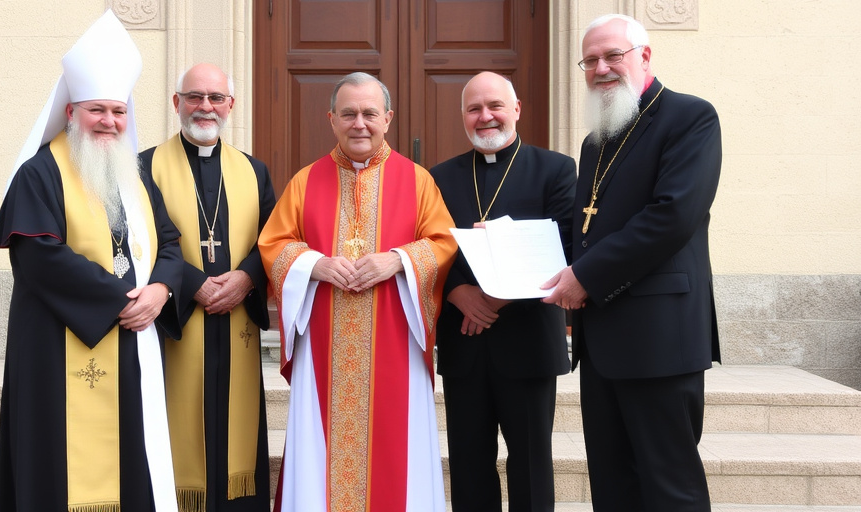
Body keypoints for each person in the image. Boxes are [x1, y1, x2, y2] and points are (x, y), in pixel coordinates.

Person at [0, 10, 183, 512]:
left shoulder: (133, 175)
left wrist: (160, 290)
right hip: (60, 344)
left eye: (118, 112)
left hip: (133, 340)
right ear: (72, 112)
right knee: (61, 465)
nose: (109, 122)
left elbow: (168, 242)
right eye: (97, 110)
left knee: (132, 459)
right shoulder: (40, 172)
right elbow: (38, 257)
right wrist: (124, 301)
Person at [542, 13, 722, 512]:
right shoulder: (597, 139)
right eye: (590, 60)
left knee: (669, 485)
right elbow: (587, 229)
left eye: (612, 55)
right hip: (601, 338)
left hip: (660, 335)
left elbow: (673, 216)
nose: (600, 68)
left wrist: (584, 276)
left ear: (644, 57)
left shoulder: (690, 117)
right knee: (613, 482)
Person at [258, 72, 457, 512]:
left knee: (397, 448)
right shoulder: (306, 181)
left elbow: (443, 242)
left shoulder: (417, 180)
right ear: (331, 119)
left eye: (369, 113)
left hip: (395, 345)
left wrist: (397, 260)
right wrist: (316, 264)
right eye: (348, 114)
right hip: (324, 348)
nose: (359, 123)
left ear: (388, 118)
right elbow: (274, 244)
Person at [429, 71, 575, 512]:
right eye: (474, 109)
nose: (485, 117)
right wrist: (458, 294)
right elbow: (428, 245)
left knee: (531, 463)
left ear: (517, 110)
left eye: (494, 106)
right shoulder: (438, 177)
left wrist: (492, 298)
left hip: (527, 338)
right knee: (469, 463)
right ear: (463, 117)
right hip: (464, 340)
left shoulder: (555, 169)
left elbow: (564, 245)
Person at [139, 63, 276, 512]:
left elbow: (273, 239)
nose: (205, 107)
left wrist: (246, 278)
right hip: (174, 320)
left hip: (237, 318)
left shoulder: (254, 171)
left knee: (234, 424)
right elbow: (138, 239)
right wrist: (193, 283)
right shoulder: (144, 166)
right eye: (194, 96)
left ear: (231, 106)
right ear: (176, 103)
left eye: (216, 98)